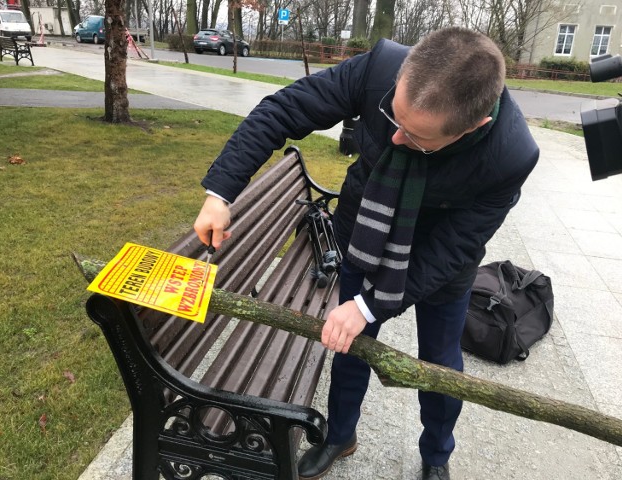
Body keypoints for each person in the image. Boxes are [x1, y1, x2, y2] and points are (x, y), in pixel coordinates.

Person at [194, 27, 539, 480]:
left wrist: (370, 306)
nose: (395, 140)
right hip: (366, 237)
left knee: (440, 364)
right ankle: (341, 436)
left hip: (439, 265)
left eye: (416, 138)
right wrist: (222, 192)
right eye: (393, 118)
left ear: (474, 127)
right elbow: (284, 109)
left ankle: (436, 455)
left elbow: (455, 247)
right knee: (350, 344)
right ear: (405, 72)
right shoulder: (379, 67)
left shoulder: (510, 154)